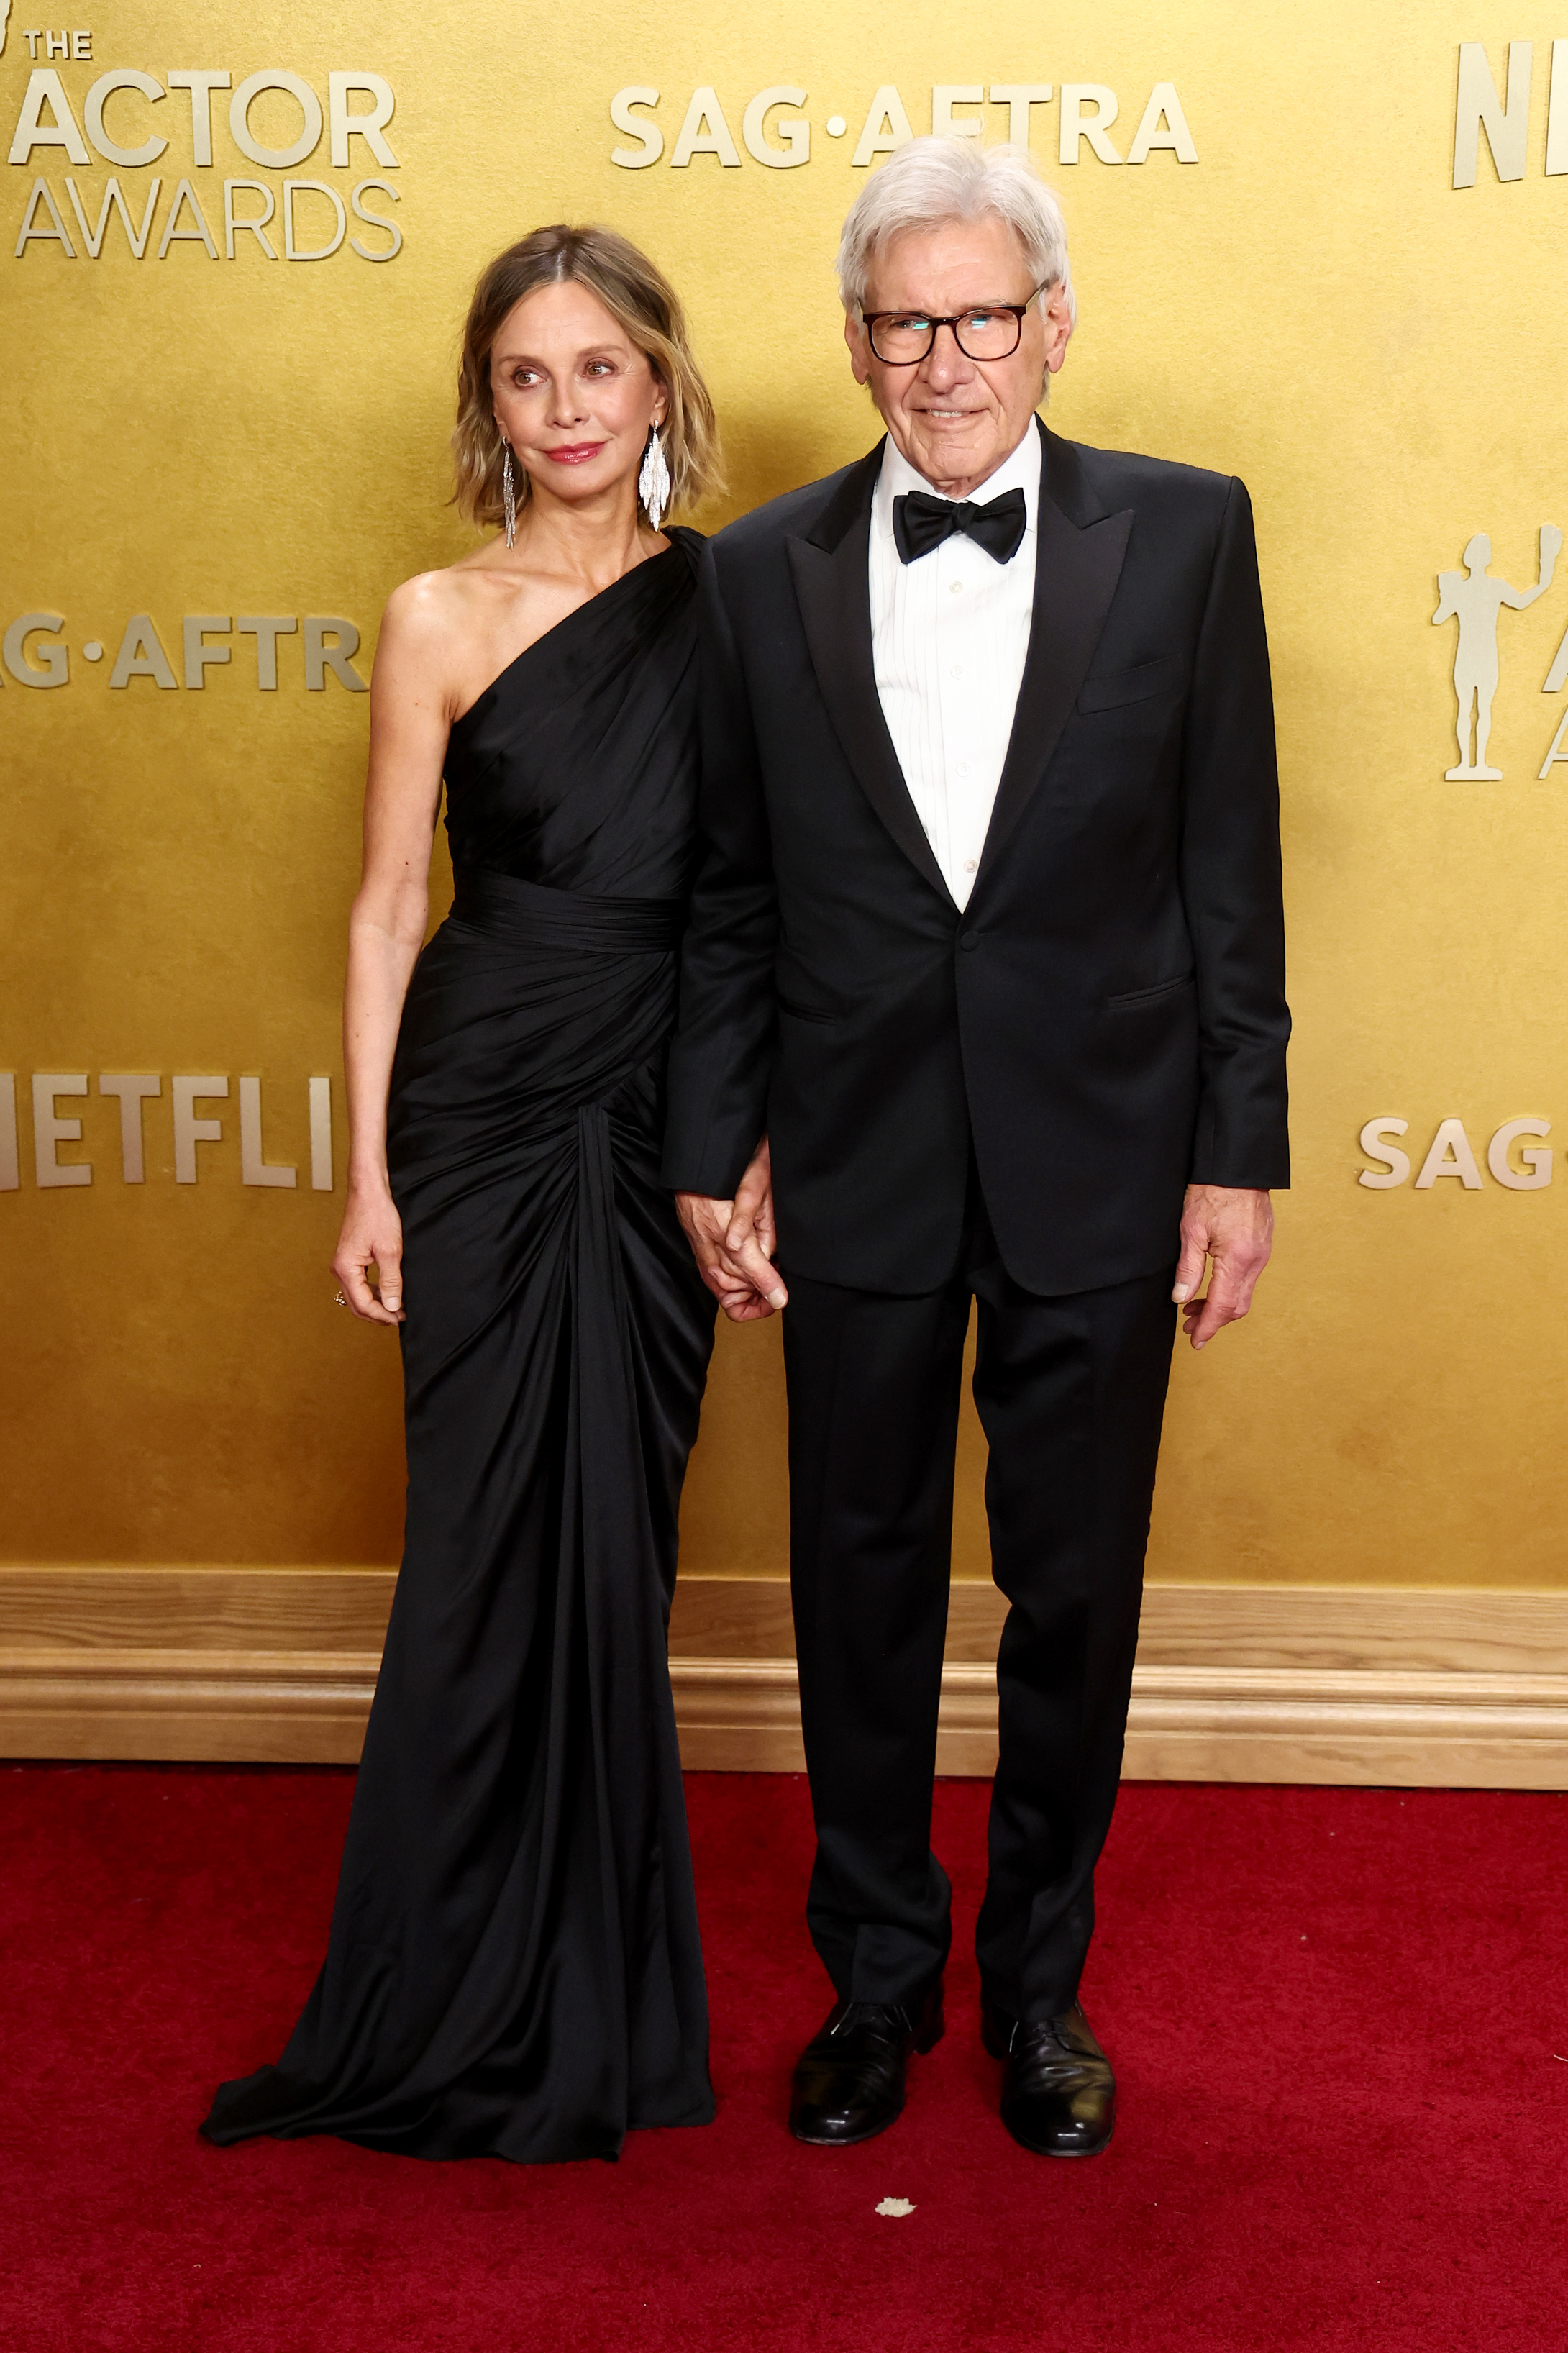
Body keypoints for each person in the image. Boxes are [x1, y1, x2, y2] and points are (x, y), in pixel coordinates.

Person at [664, 138, 1290, 2159]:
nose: (945, 360)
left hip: (1104, 1155)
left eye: (982, 315)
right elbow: (733, 894)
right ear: (853, 343)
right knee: (856, 1586)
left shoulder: (1186, 539)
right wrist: (712, 1142)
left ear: (1052, 323)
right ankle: (872, 1986)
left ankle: (1040, 1994)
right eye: (904, 321)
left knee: (1073, 1592)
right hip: (848, 1154)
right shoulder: (753, 572)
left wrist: (1235, 1152)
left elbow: (1226, 867)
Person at [204, 223, 749, 2165]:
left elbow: (751, 918)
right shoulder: (435, 611)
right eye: (527, 377)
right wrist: (363, 1171)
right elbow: (383, 905)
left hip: (647, 1120)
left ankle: (591, 1986)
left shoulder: (738, 603)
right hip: (480, 1106)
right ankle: (439, 1992)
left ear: (660, 382)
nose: (565, 409)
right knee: (476, 1551)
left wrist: (740, 1144)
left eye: (597, 368)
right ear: (487, 405)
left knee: (617, 1555)